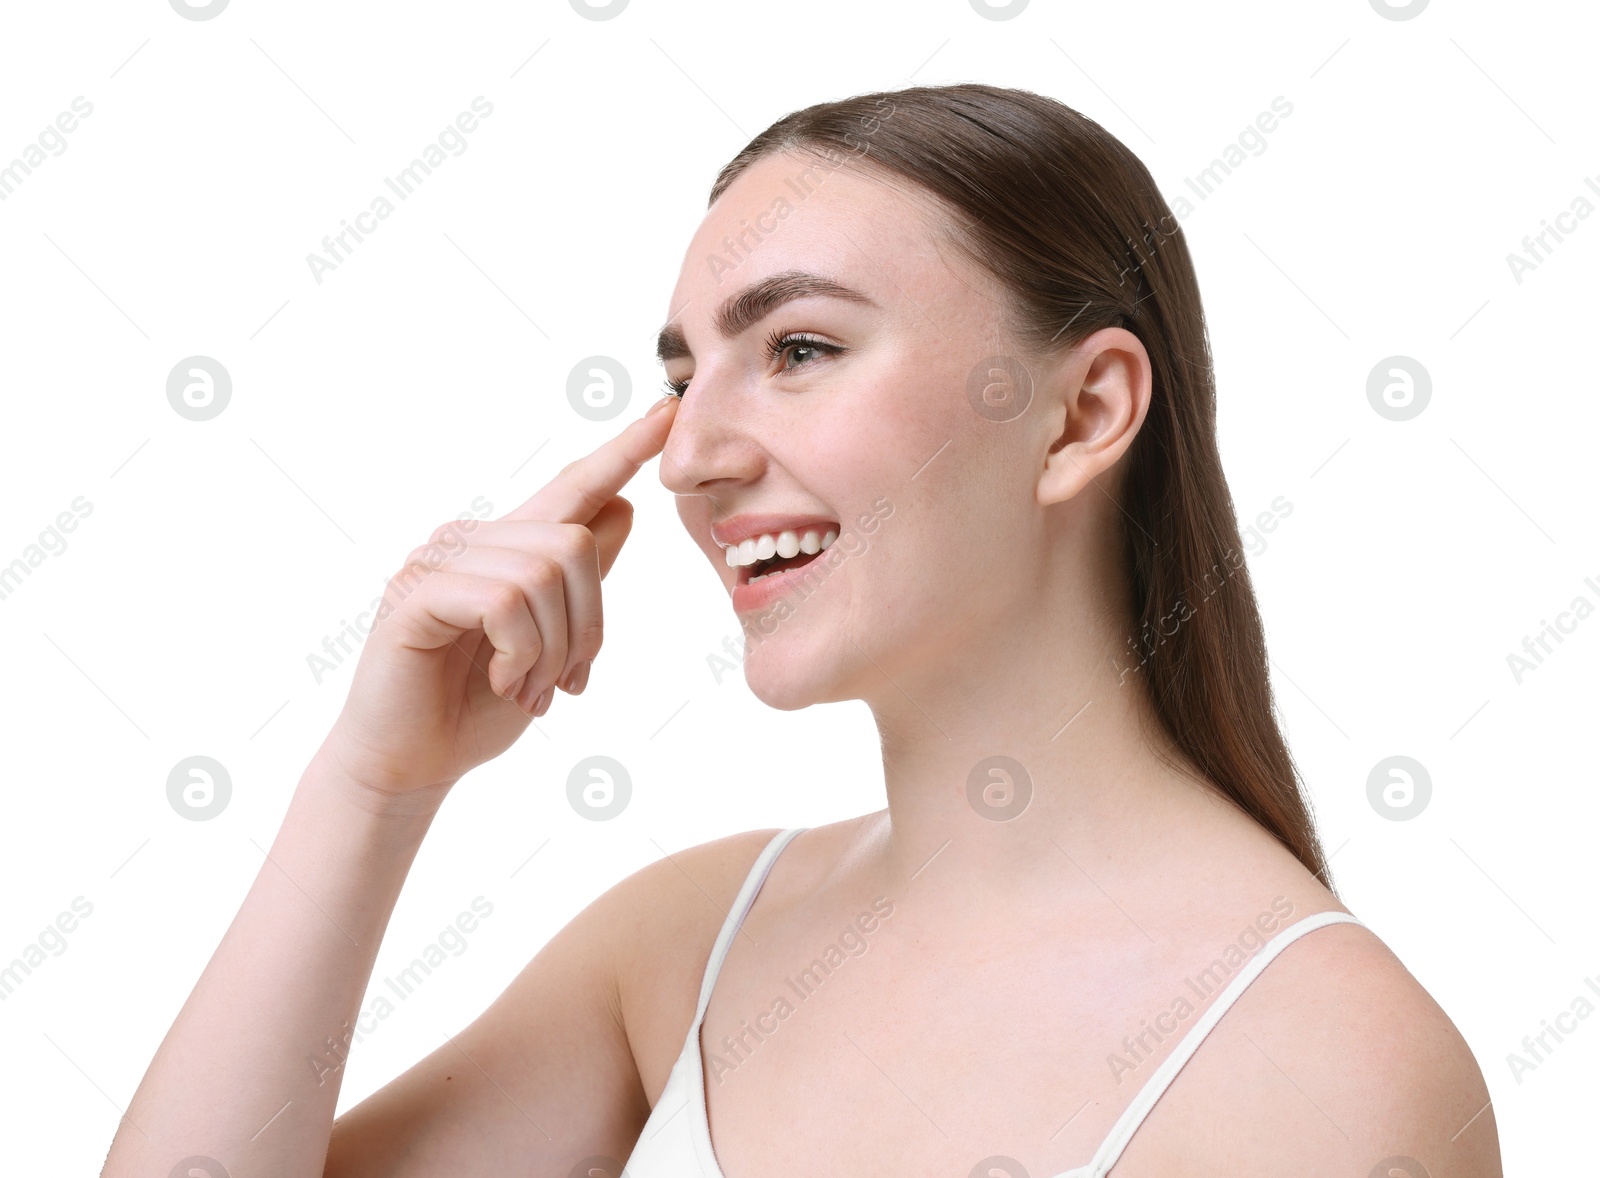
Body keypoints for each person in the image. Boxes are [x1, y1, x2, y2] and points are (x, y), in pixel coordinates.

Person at [102, 83, 1501, 1177]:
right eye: (682, 374)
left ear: (1081, 416)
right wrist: (371, 785)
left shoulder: (1323, 1061)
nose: (691, 454)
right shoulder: (693, 942)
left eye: (801, 350)